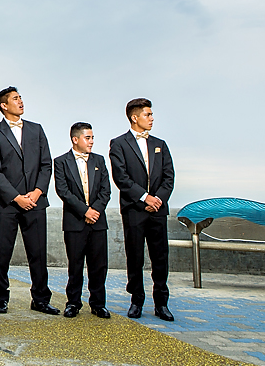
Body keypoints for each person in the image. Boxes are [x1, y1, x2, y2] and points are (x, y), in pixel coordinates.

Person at [0, 86, 58, 315]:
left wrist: (37, 192)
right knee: (2, 252)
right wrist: (16, 197)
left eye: (21, 97)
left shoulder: (36, 130)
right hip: (7, 204)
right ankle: (1, 297)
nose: (21, 101)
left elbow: (47, 164)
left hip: (35, 202)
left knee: (38, 253)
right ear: (4, 105)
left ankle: (41, 299)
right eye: (15, 99)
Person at [109, 98, 175, 322]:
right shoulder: (118, 144)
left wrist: (157, 200)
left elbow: (169, 177)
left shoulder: (160, 144)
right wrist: (144, 197)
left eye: (152, 114)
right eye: (148, 114)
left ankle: (161, 304)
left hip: (157, 210)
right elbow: (121, 178)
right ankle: (136, 300)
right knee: (135, 256)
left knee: (160, 257)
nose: (152, 118)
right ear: (134, 117)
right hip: (134, 209)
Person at [53, 122, 111, 319]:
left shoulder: (100, 160)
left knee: (99, 265)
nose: (92, 142)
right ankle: (73, 303)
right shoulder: (61, 162)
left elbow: (106, 190)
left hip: (98, 221)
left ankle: (98, 304)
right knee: (75, 264)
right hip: (74, 222)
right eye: (88, 138)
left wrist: (95, 211)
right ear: (75, 139)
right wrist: (85, 211)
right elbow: (63, 191)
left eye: (93, 138)